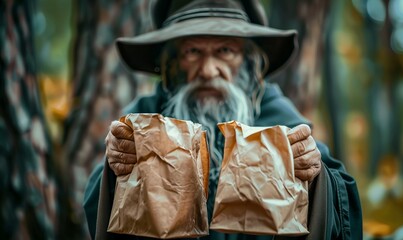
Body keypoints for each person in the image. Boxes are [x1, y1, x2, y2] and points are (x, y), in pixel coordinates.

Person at [83, 0, 363, 239]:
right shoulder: (143, 119)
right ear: (171, 62)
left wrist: (313, 176)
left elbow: (338, 196)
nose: (208, 70)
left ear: (248, 60)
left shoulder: (276, 117)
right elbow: (102, 199)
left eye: (225, 51)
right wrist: (117, 167)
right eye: (192, 52)